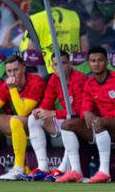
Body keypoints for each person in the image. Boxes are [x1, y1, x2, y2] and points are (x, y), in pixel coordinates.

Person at [57, 46, 115, 183]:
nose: (96, 63)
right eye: (93, 61)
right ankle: (76, 171)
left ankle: (104, 172)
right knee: (67, 124)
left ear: (107, 62)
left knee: (100, 122)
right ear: (88, 63)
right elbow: (85, 107)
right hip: (103, 129)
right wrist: (86, 112)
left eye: (100, 60)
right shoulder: (89, 84)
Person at [24, 51, 87, 182]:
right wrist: (40, 110)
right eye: (56, 64)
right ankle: (43, 167)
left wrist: (53, 113)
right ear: (52, 67)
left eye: (63, 63)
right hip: (65, 119)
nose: (60, 67)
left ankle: (65, 169)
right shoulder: (53, 79)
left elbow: (80, 110)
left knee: (68, 123)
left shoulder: (80, 79)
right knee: (33, 119)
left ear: (70, 64)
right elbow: (47, 103)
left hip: (81, 122)